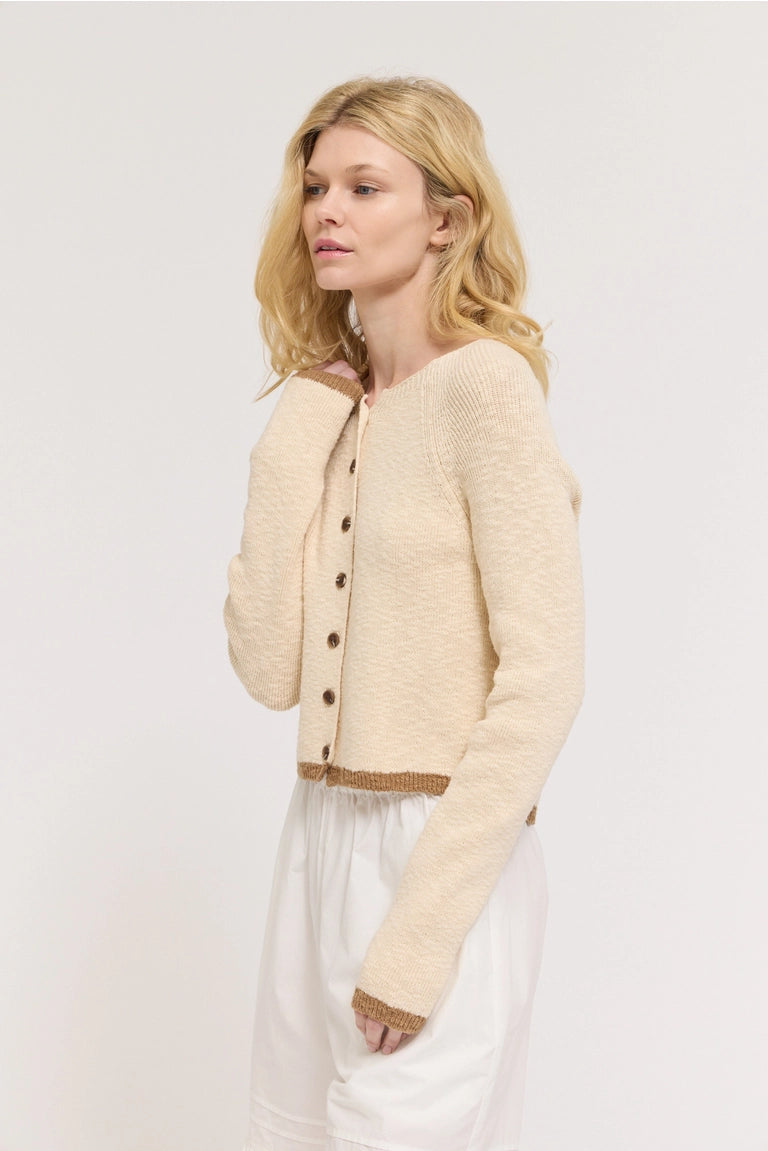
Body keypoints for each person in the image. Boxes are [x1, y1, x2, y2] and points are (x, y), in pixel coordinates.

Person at [224, 74, 585, 1151]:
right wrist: (298, 428)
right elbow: (269, 670)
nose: (325, 211)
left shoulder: (487, 389)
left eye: (364, 186)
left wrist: (421, 939)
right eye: (315, 186)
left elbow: (545, 680)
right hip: (318, 839)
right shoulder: (333, 409)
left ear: (447, 218)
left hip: (440, 854)